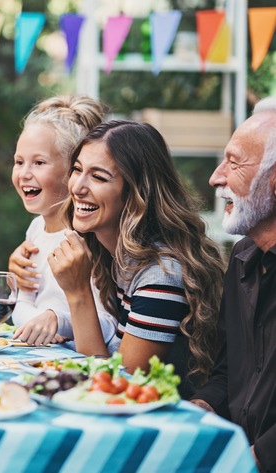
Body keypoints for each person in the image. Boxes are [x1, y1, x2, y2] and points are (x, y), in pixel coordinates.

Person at [48, 120, 224, 398]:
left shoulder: (162, 273)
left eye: (99, 177)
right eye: (78, 170)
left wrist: (78, 292)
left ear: (136, 191)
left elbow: (115, 389)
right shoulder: (116, 256)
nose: (77, 187)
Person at [191, 97, 276, 472]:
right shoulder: (243, 256)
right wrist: (199, 407)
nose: (216, 177)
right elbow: (229, 374)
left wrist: (257, 458)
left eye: (234, 161)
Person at [7, 96, 118, 350]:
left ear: (73, 170)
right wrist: (38, 325)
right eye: (19, 162)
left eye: (39, 163)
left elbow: (110, 324)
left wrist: (59, 322)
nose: (24, 174)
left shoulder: (89, 236)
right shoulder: (36, 229)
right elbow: (21, 303)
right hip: (42, 357)